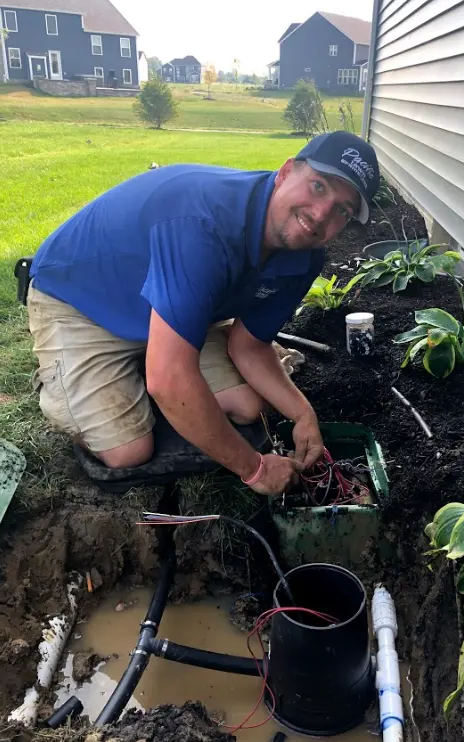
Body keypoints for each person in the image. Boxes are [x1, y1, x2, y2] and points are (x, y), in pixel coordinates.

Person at [27, 131, 380, 495]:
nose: (321, 214)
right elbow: (168, 380)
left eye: (342, 209)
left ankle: (156, 366)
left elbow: (250, 346)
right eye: (319, 186)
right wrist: (255, 469)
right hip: (82, 302)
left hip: (163, 310)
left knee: (247, 407)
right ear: (286, 171)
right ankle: (68, 384)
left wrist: (303, 415)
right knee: (128, 451)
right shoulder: (203, 224)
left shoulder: (305, 253)